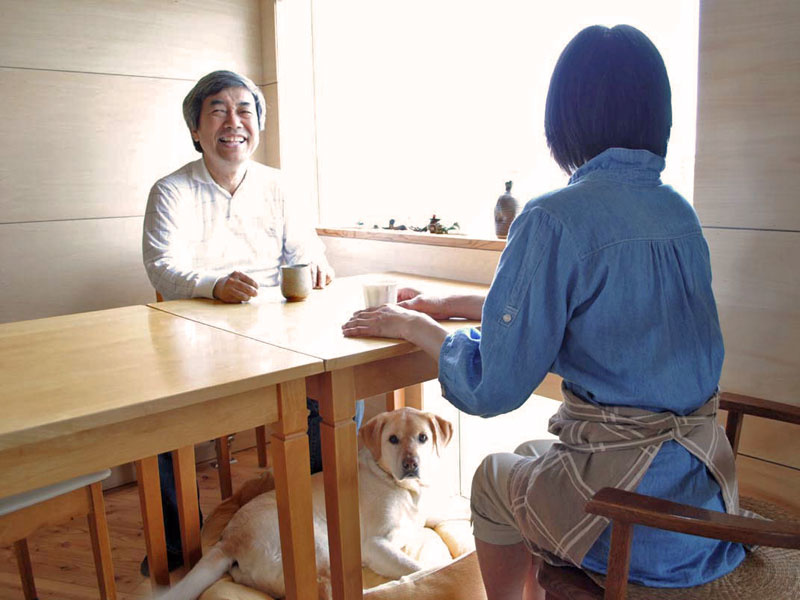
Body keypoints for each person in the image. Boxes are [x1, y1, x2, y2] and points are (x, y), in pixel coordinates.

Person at [342, 25, 745, 600]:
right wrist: (454, 305)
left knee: (491, 479)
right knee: (532, 456)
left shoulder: (554, 216)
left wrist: (415, 326)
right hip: (698, 500)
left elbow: (493, 387)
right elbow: (600, 319)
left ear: (565, 121)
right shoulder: (679, 213)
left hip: (633, 520)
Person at [142, 70, 364, 575]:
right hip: (196, 339)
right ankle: (178, 548)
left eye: (245, 110)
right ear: (196, 129)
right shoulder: (171, 190)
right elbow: (161, 267)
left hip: (278, 335)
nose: (234, 122)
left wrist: (317, 265)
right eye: (217, 110)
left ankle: (311, 511)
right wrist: (214, 284)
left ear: (257, 126)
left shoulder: (278, 185)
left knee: (337, 392)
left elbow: (307, 251)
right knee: (155, 421)